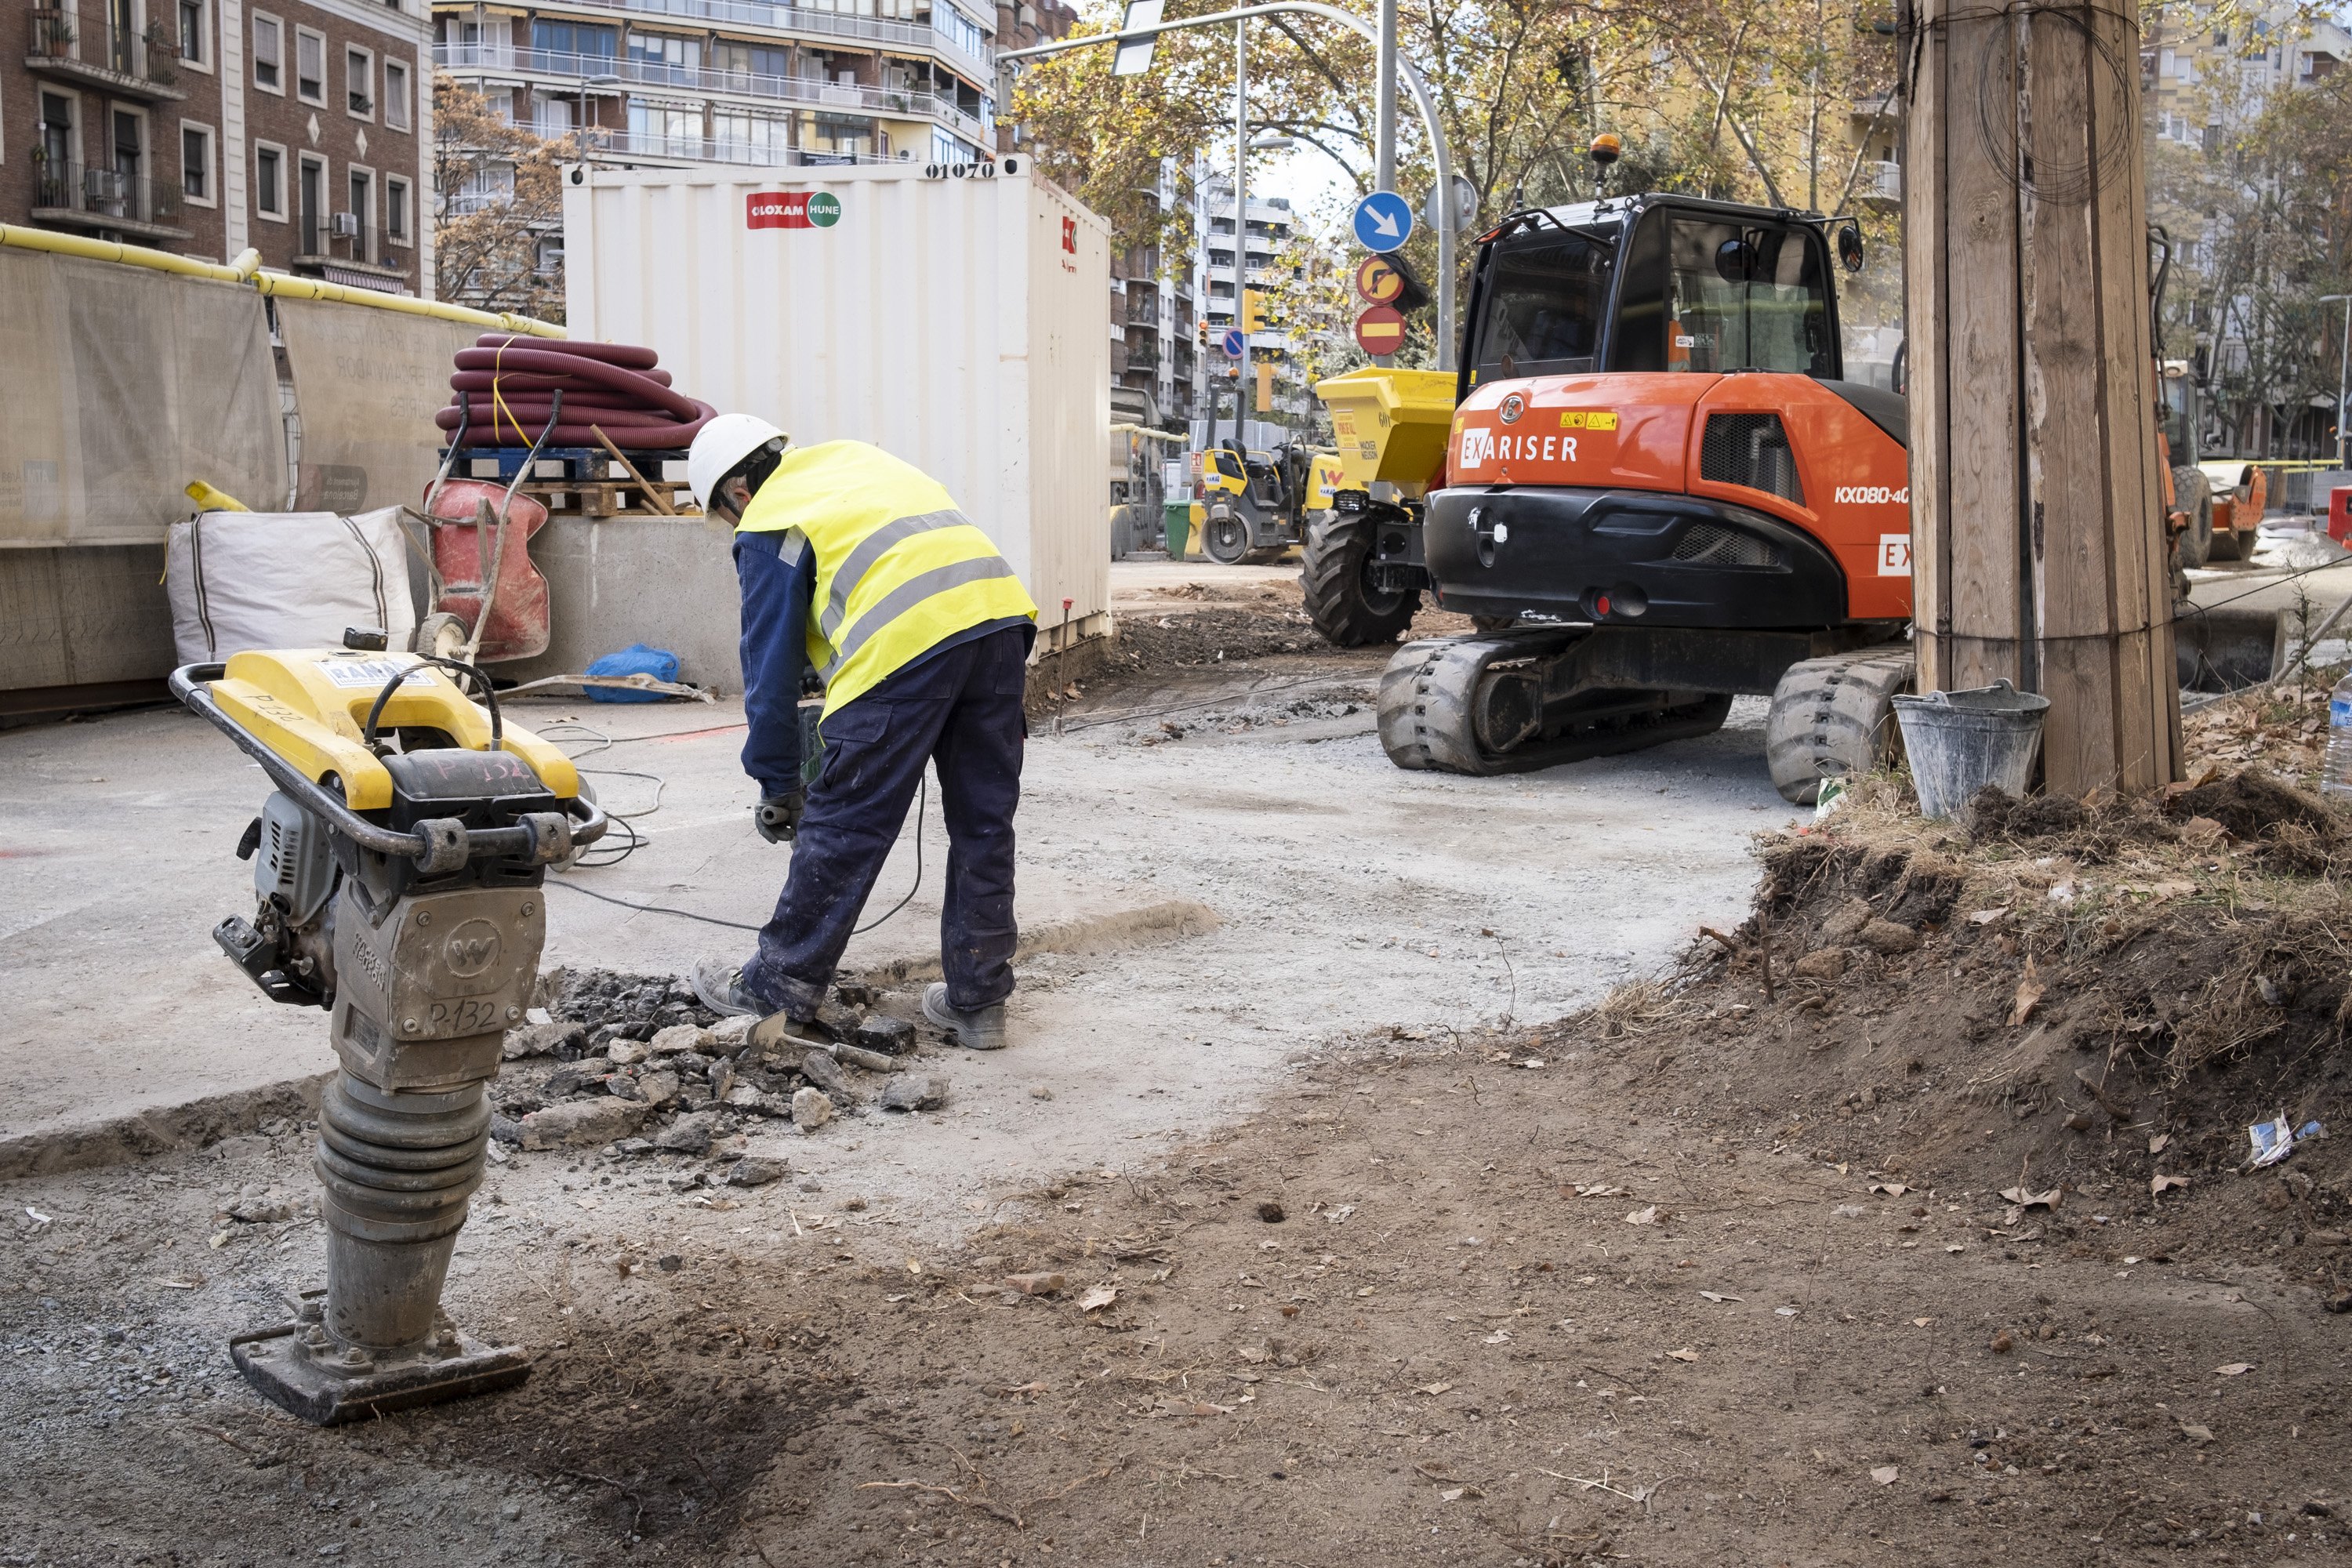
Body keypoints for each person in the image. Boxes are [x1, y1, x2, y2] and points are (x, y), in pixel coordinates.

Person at [682, 415, 1038, 1050]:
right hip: (999, 625)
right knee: (984, 824)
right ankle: (980, 1003)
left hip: (905, 648)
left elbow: (769, 670)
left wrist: (778, 780)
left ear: (738, 493)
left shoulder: (771, 518)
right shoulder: (850, 462)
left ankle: (778, 989)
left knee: (846, 824)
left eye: (726, 517)